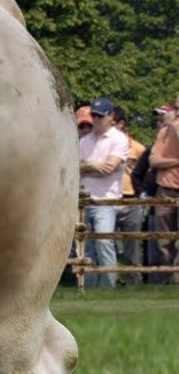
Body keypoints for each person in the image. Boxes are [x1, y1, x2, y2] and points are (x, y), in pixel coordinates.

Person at [78, 97, 130, 287]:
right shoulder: (84, 140)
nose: (96, 119)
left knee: (104, 241)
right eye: (94, 115)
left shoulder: (119, 139)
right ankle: (88, 287)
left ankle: (108, 285)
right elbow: (75, 166)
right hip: (84, 199)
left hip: (106, 200)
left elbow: (109, 168)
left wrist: (86, 166)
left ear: (111, 116)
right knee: (86, 245)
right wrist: (93, 165)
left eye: (100, 116)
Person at [112, 106, 146, 285]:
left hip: (131, 199)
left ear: (121, 124)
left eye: (112, 123)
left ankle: (134, 283)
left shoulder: (137, 148)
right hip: (109, 199)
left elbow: (145, 172)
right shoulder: (104, 145)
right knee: (105, 243)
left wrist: (141, 193)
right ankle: (109, 281)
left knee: (132, 245)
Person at [149, 104, 179, 283]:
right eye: (176, 108)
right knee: (163, 241)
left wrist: (175, 128)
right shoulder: (164, 133)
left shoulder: (172, 129)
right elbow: (153, 160)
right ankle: (168, 280)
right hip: (166, 190)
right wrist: (176, 161)